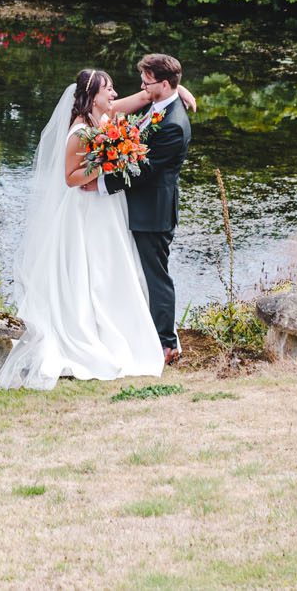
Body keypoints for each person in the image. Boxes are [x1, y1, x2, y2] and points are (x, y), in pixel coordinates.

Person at [0, 65, 196, 390]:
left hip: (109, 208)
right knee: (92, 272)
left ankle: (130, 330)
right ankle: (93, 331)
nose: (114, 95)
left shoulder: (105, 116)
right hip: (85, 209)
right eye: (108, 89)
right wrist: (103, 167)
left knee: (115, 269)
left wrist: (179, 91)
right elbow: (71, 178)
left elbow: (146, 96)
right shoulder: (78, 131)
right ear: (93, 96)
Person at [104, 53, 190, 363]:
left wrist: (102, 183)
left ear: (165, 85)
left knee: (156, 277)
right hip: (142, 208)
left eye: (146, 82)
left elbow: (144, 170)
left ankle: (166, 343)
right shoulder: (159, 106)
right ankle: (146, 332)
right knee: (141, 274)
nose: (142, 86)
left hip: (153, 212)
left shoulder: (174, 125)